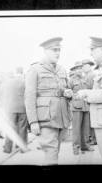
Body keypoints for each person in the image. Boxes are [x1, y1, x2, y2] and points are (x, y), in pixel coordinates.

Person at [25, 37, 73, 165]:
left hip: (60, 117)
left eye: (59, 50)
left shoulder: (62, 69)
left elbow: (63, 89)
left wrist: (67, 93)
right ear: (45, 51)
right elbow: (29, 97)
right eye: (54, 50)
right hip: (45, 118)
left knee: (55, 151)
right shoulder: (35, 69)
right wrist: (33, 121)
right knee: (51, 151)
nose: (57, 53)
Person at [1, 67, 29, 153]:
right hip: (22, 108)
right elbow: (28, 95)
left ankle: (7, 148)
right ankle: (22, 148)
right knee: (22, 128)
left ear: (15, 72)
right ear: (22, 72)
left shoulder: (8, 82)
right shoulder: (25, 82)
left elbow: (4, 95)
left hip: (11, 108)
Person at [68, 61, 94, 155]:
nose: (79, 70)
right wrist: (73, 99)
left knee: (86, 128)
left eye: (80, 68)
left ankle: (85, 146)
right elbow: (68, 93)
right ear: (74, 70)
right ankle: (76, 148)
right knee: (76, 129)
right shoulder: (71, 80)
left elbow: (89, 90)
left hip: (86, 106)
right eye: (77, 68)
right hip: (76, 107)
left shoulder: (85, 79)